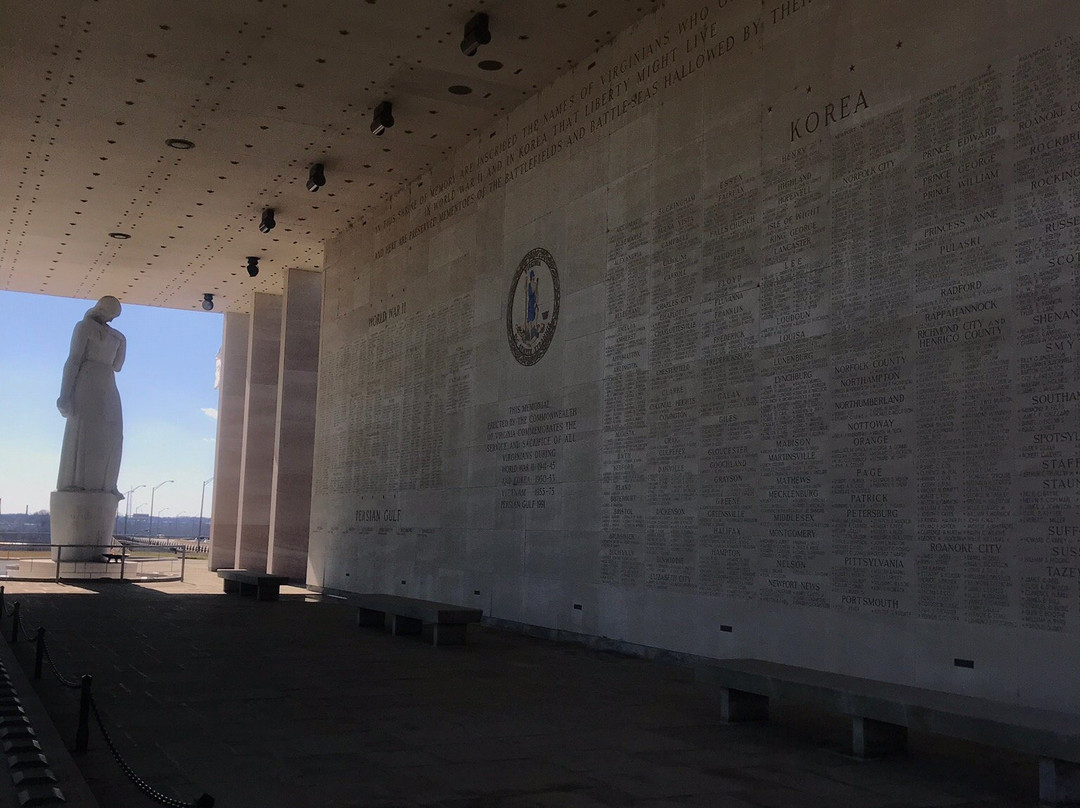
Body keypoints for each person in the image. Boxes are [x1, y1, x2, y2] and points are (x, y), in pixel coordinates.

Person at [56, 295, 126, 497]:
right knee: (93, 431)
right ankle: (87, 482)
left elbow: (75, 360)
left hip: (98, 382)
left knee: (106, 432)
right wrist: (65, 394)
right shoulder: (112, 336)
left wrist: (64, 394)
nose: (111, 320)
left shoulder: (96, 330)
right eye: (111, 315)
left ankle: (103, 483)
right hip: (96, 383)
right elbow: (76, 360)